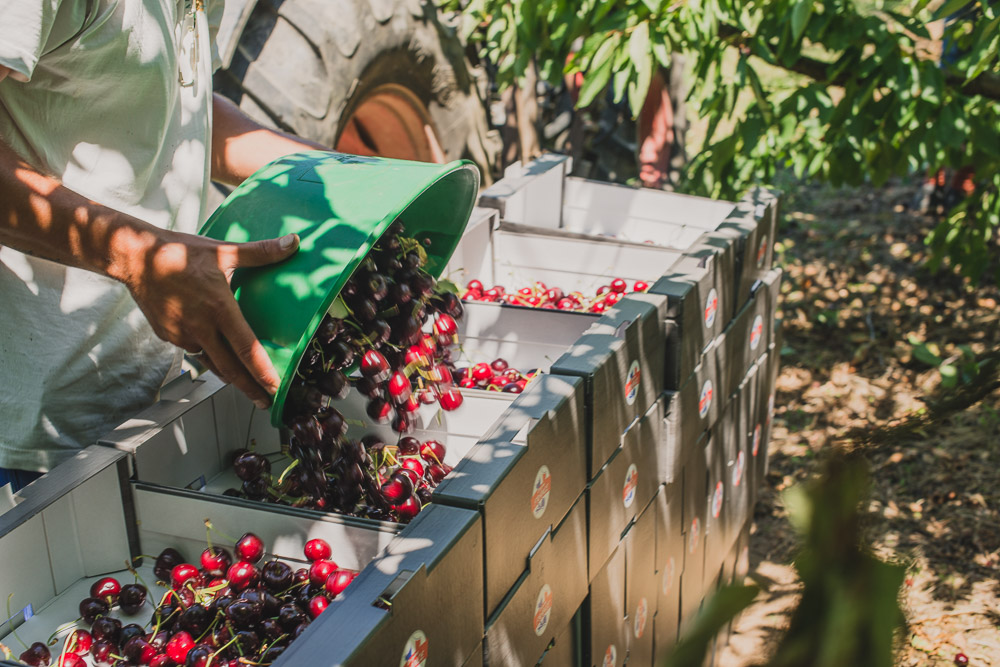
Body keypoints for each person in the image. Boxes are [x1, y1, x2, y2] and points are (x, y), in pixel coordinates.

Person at [0, 0, 328, 490]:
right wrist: (137, 257)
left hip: (146, 401)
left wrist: (335, 175)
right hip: (29, 432)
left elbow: (175, 112)